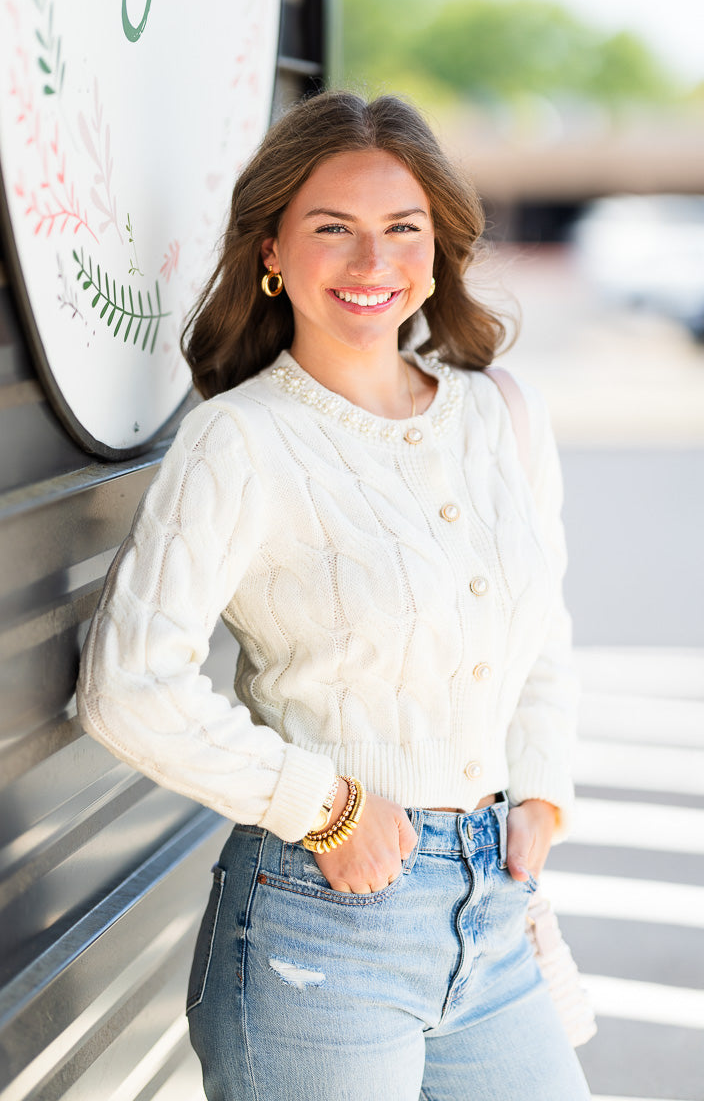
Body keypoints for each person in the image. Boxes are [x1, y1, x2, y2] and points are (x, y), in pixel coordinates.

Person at [76, 91, 591, 1100]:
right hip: (319, 929)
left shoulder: (502, 418)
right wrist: (326, 807)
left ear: (437, 251)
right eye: (333, 230)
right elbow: (127, 687)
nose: (372, 263)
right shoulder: (240, 441)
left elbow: (540, 634)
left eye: (402, 230)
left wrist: (537, 793)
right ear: (271, 250)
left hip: (492, 916)